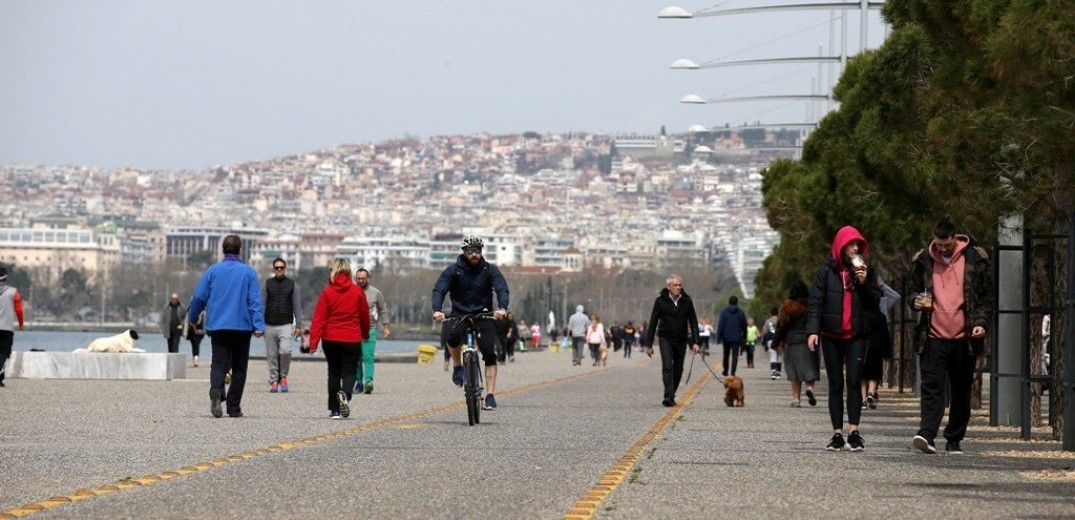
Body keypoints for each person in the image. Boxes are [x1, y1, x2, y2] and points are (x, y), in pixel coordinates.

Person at [909, 219, 992, 455]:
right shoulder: (922, 261)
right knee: (932, 388)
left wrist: (981, 323)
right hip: (932, 335)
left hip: (964, 337)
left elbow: (986, 296)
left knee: (961, 390)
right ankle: (926, 434)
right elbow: (912, 291)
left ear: (955, 239)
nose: (943, 248)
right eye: (939, 244)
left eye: (947, 244)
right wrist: (914, 301)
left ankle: (954, 438)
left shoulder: (976, 259)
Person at [807, 225, 882, 452]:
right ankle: (837, 434)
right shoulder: (825, 272)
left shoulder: (867, 272)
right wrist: (813, 331)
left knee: (853, 382)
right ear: (841, 246)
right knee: (835, 385)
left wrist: (863, 282)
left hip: (857, 335)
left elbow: (875, 302)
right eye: (851, 244)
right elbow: (816, 303)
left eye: (858, 244)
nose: (856, 248)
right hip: (831, 336)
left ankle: (854, 432)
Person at [188, 235, 266, 419]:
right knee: (239, 367)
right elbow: (254, 301)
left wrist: (192, 317)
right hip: (242, 327)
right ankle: (233, 407)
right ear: (240, 250)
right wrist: (258, 326)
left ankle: (216, 390)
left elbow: (199, 297)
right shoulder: (248, 273)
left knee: (218, 363)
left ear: (223, 250)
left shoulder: (213, 271)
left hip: (218, 325)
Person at [432, 235, 510, 411]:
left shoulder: (489, 270)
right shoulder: (453, 271)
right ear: (464, 252)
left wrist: (502, 308)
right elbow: (439, 289)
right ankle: (458, 366)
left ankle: (490, 394)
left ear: (481, 252)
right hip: (459, 313)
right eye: (470, 251)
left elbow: (501, 289)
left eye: (478, 250)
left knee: (489, 353)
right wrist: (437, 309)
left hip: (484, 314)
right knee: (451, 338)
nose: (474, 254)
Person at [308, 258, 370, 419]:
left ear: (333, 271)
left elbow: (319, 318)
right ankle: (346, 393)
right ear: (349, 272)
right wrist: (365, 334)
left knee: (334, 372)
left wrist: (313, 342)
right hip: (352, 337)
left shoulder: (327, 291)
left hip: (330, 338)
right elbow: (364, 316)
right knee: (350, 372)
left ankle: (334, 410)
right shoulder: (358, 292)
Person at [644, 274, 701, 407]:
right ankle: (668, 396)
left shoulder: (687, 301)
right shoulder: (660, 301)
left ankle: (671, 394)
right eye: (675, 285)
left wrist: (696, 342)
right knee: (667, 366)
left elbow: (693, 322)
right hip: (665, 338)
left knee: (678, 369)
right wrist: (649, 344)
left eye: (680, 285)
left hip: (681, 339)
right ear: (668, 287)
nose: (678, 287)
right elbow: (653, 323)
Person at [262, 258, 304, 393]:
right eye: (276, 268)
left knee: (286, 351)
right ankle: (274, 380)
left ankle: (283, 377)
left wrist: (299, 325)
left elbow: (297, 306)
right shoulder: (267, 284)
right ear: (274, 269)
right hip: (269, 324)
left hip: (286, 324)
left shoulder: (293, 285)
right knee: (271, 354)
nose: (279, 270)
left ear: (285, 269)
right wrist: (258, 324)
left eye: (281, 267)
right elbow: (261, 305)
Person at [773, 281, 818, 407]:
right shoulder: (812, 305)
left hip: (791, 341)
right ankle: (809, 388)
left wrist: (776, 342)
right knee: (810, 368)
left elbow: (781, 326)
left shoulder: (788, 306)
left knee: (794, 372)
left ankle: (796, 399)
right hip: (809, 340)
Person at [862, 281, 899, 409]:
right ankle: (871, 393)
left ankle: (863, 399)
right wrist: (882, 285)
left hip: (863, 342)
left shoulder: (861, 307)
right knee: (874, 372)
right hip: (877, 341)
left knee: (862, 373)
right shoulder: (881, 309)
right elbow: (895, 296)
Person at [354, 268, 390, 394]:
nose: (361, 280)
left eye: (363, 278)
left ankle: (368, 382)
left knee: (368, 356)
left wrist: (385, 326)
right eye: (358, 278)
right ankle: (358, 383)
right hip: (353, 329)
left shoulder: (375, 293)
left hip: (371, 328)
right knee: (356, 357)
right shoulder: (351, 291)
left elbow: (383, 309)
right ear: (355, 278)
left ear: (367, 278)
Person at [0, 267, 25, 388]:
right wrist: (21, 324)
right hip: (6, 328)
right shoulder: (13, 292)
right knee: (4, 352)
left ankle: (0, 379)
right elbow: (19, 310)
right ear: (6, 278)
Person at [716, 296, 747, 377]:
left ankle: (725, 371)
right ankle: (733, 372)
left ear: (729, 302)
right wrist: (744, 336)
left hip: (726, 338)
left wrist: (719, 337)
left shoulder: (724, 312)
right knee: (735, 355)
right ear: (737, 302)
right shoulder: (741, 313)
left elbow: (721, 325)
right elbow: (744, 326)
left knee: (726, 355)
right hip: (737, 338)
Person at [762, 307, 781, 379]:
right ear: (778, 312)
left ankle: (773, 372)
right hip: (779, 339)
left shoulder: (768, 321)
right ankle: (778, 372)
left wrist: (764, 343)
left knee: (773, 355)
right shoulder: (780, 319)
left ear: (771, 313)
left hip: (770, 340)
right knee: (779, 355)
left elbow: (765, 332)